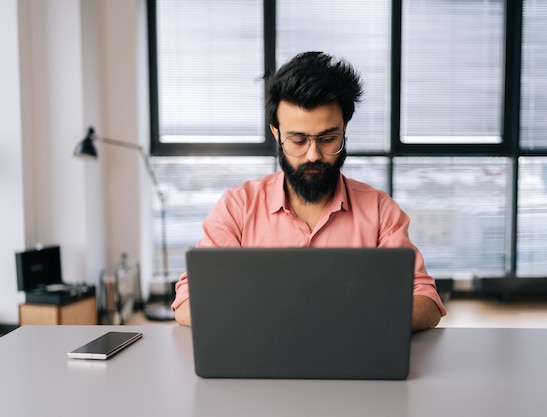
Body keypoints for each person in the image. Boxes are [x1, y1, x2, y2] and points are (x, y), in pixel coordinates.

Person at [171, 51, 446, 331]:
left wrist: (343, 322)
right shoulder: (238, 206)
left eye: (328, 138)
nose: (313, 155)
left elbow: (425, 300)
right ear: (276, 133)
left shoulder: (379, 210)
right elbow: (187, 302)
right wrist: (277, 320)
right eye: (298, 140)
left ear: (344, 129)